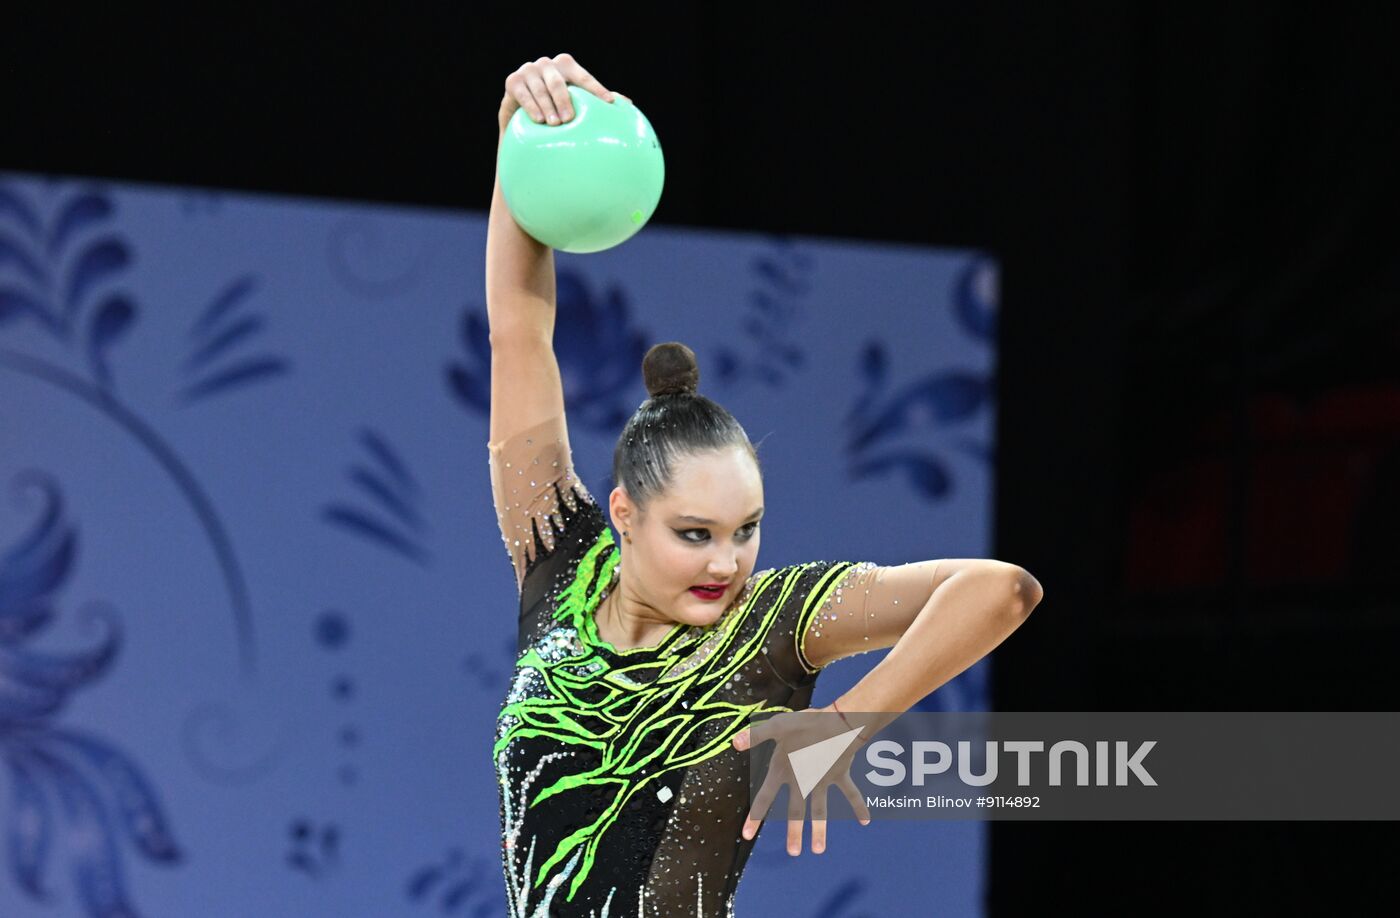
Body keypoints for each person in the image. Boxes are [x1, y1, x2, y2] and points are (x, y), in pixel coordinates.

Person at [487, 54, 1045, 918]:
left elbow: (1002, 591)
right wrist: (519, 143)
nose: (728, 562)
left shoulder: (775, 623)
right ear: (625, 515)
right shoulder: (560, 557)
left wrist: (844, 724)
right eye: (696, 534)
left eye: (745, 529)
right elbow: (519, 330)